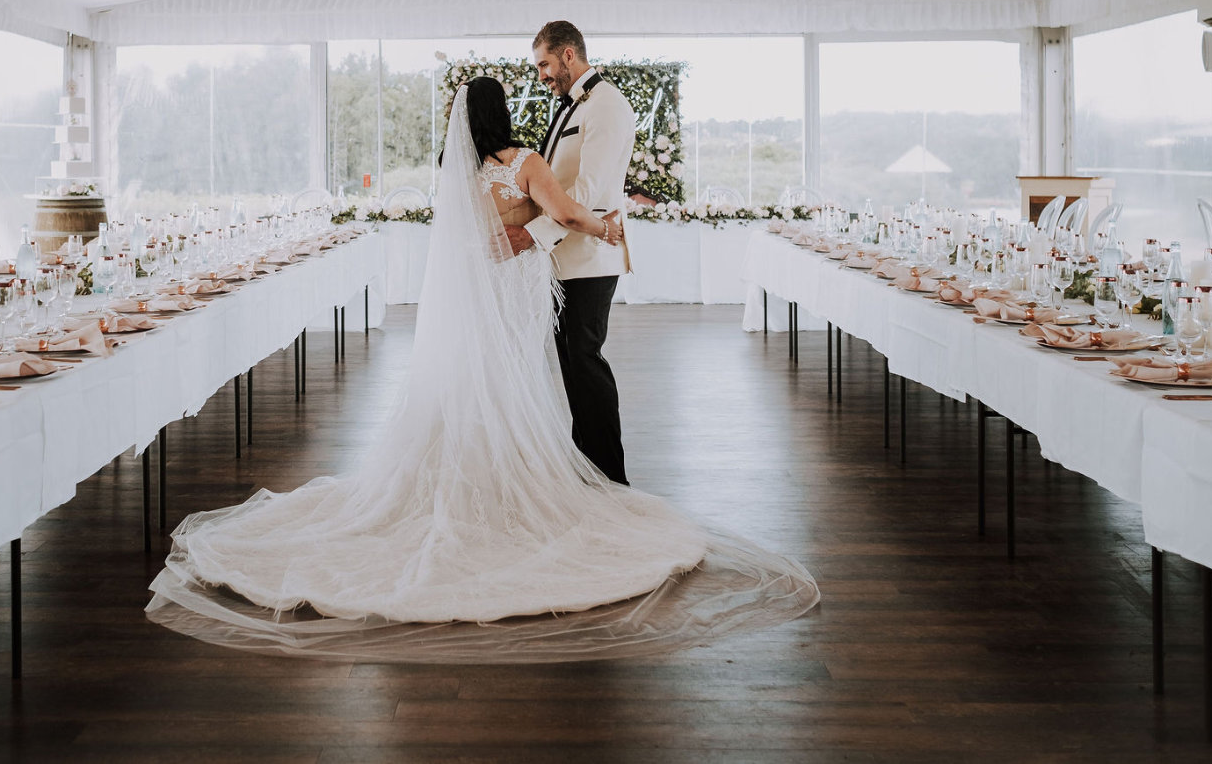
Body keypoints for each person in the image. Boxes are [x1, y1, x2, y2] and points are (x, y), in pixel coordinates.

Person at [146, 79, 816, 660]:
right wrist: (609, 226)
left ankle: (477, 476)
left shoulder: (465, 181)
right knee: (519, 387)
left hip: (482, 304)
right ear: (503, 113)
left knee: (484, 390)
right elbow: (564, 213)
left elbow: (490, 238)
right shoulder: (524, 160)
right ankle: (516, 485)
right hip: (519, 300)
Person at [507, 20, 636, 483]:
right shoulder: (573, 103)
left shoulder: (606, 105)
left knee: (585, 361)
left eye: (544, 63)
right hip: (567, 256)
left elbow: (589, 189)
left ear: (567, 54)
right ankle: (587, 470)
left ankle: (610, 478)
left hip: (589, 254)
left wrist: (533, 234)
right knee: (571, 366)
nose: (541, 75)